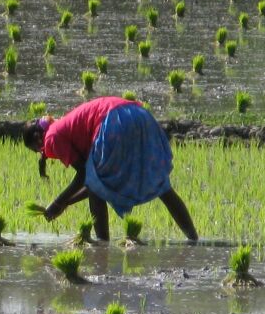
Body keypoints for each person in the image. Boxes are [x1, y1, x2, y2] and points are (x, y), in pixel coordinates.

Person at [22, 96, 197, 242]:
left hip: (112, 122)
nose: (43, 153)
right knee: (162, 187)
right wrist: (67, 202)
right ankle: (193, 239)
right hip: (139, 115)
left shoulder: (52, 137)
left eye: (38, 150)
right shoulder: (68, 125)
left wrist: (58, 202)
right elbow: (94, 182)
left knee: (96, 194)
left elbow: (85, 177)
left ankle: (102, 247)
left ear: (39, 140)